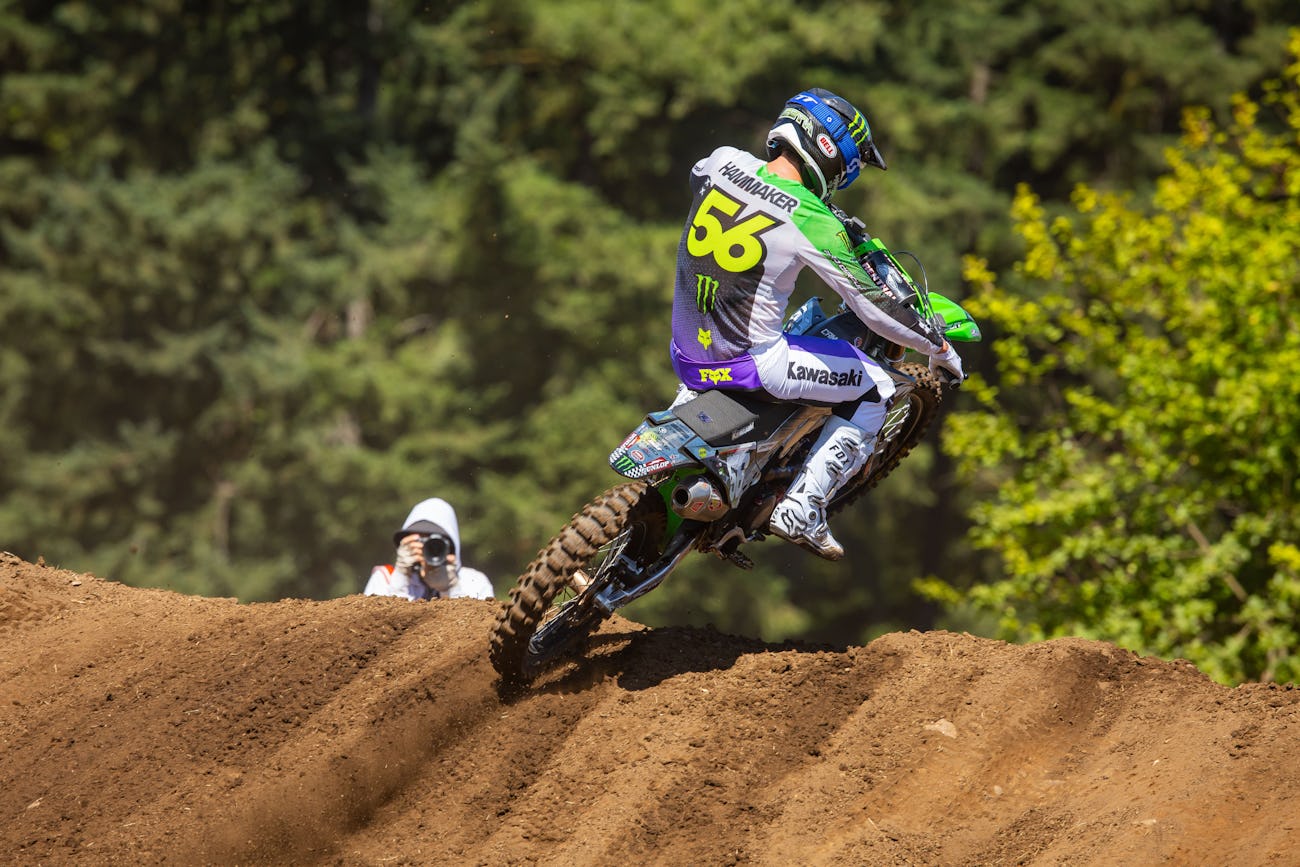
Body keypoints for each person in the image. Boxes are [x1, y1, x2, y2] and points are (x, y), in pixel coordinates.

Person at [670, 87, 965, 560]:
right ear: (832, 151)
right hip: (753, 364)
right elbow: (874, 309)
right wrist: (939, 350)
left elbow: (701, 179)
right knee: (876, 389)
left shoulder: (721, 162)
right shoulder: (812, 219)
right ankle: (802, 508)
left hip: (687, 355)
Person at [364, 497, 494, 600]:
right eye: (419, 541)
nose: (427, 549)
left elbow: (479, 625)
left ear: (452, 547)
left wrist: (450, 589)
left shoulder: (474, 582)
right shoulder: (384, 579)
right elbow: (377, 623)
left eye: (435, 544)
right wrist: (401, 578)